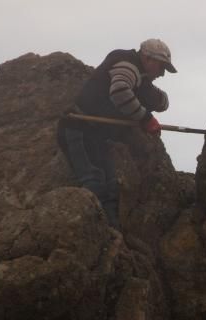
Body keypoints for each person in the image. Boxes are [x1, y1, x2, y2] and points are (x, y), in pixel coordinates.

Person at [57, 39, 176, 228]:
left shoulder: (138, 75)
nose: (162, 73)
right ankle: (95, 233)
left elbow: (161, 101)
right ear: (147, 58)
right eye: (161, 67)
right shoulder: (127, 64)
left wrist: (153, 97)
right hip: (78, 128)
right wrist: (146, 118)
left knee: (111, 186)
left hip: (95, 134)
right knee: (95, 183)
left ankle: (111, 233)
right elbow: (120, 91)